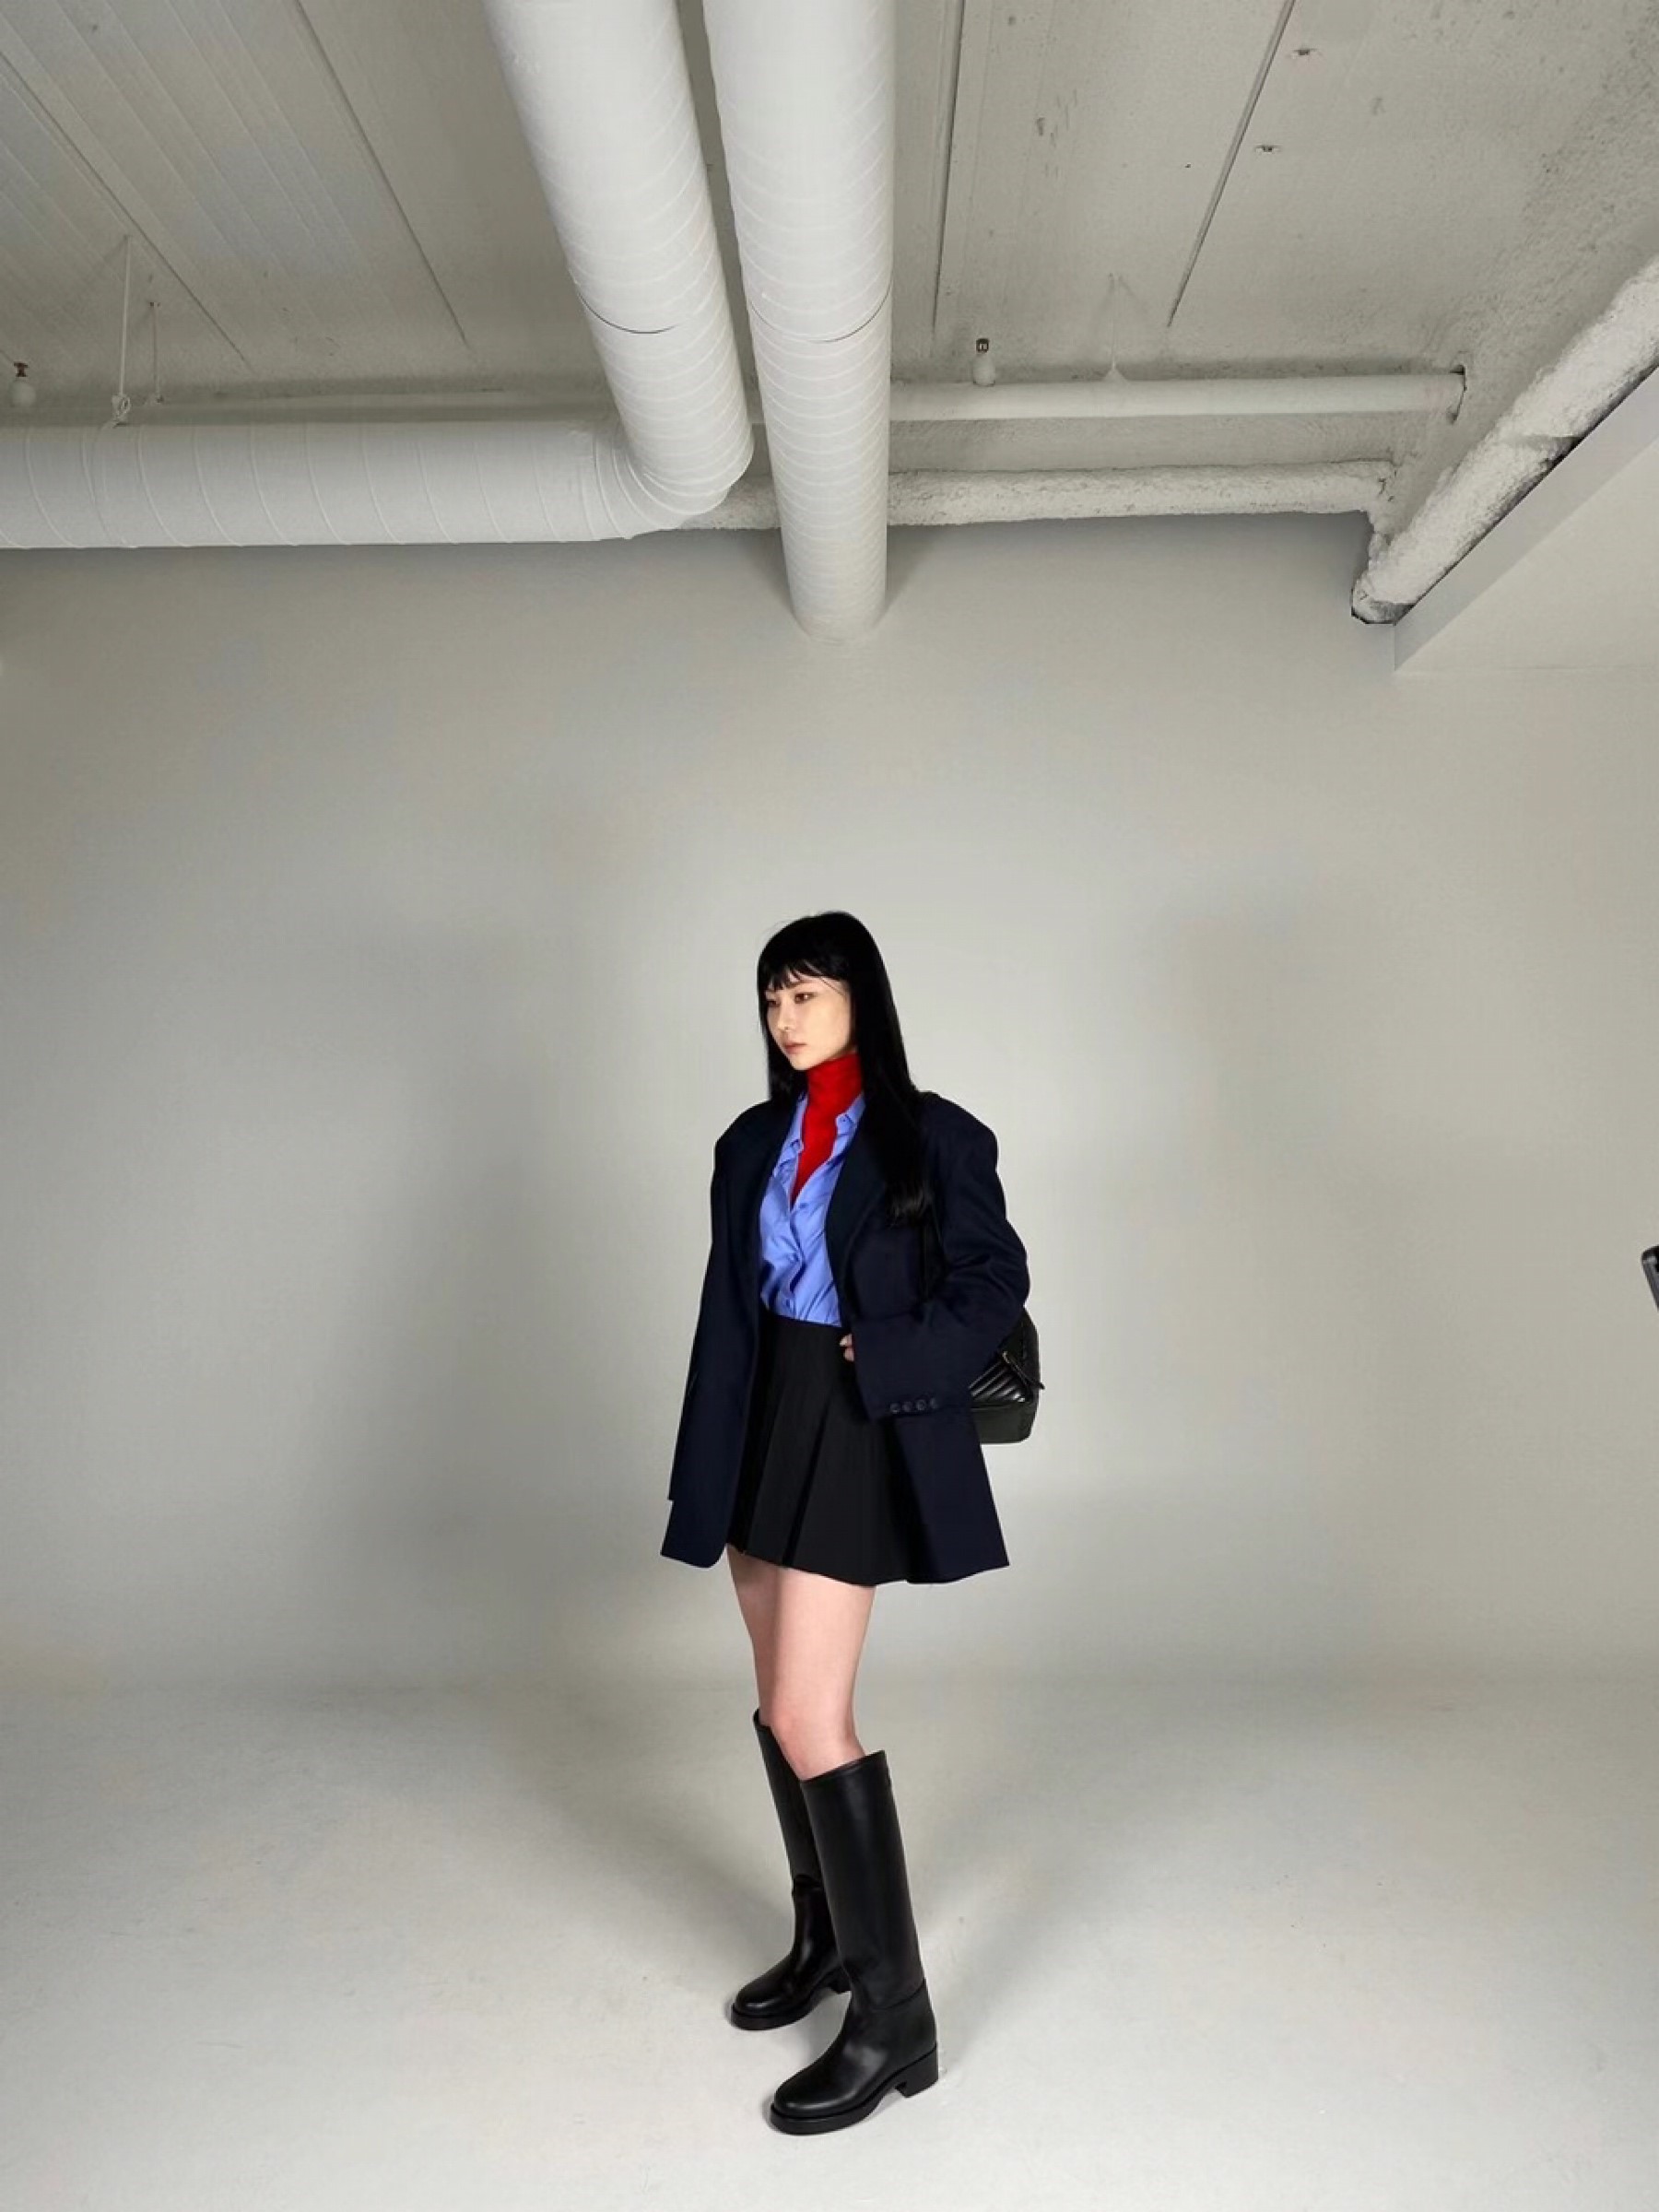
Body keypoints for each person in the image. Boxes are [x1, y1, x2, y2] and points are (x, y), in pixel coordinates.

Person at [661, 910, 1030, 2133]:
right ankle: (823, 1938)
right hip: (758, 1414)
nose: (787, 1016)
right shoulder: (750, 1141)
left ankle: (893, 2015)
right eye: (774, 997)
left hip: (855, 1418)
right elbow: (731, 1302)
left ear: (861, 997)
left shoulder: (935, 1136)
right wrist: (709, 1442)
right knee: (777, 1702)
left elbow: (994, 1282)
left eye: (808, 993)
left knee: (814, 1714)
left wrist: (897, 1350)